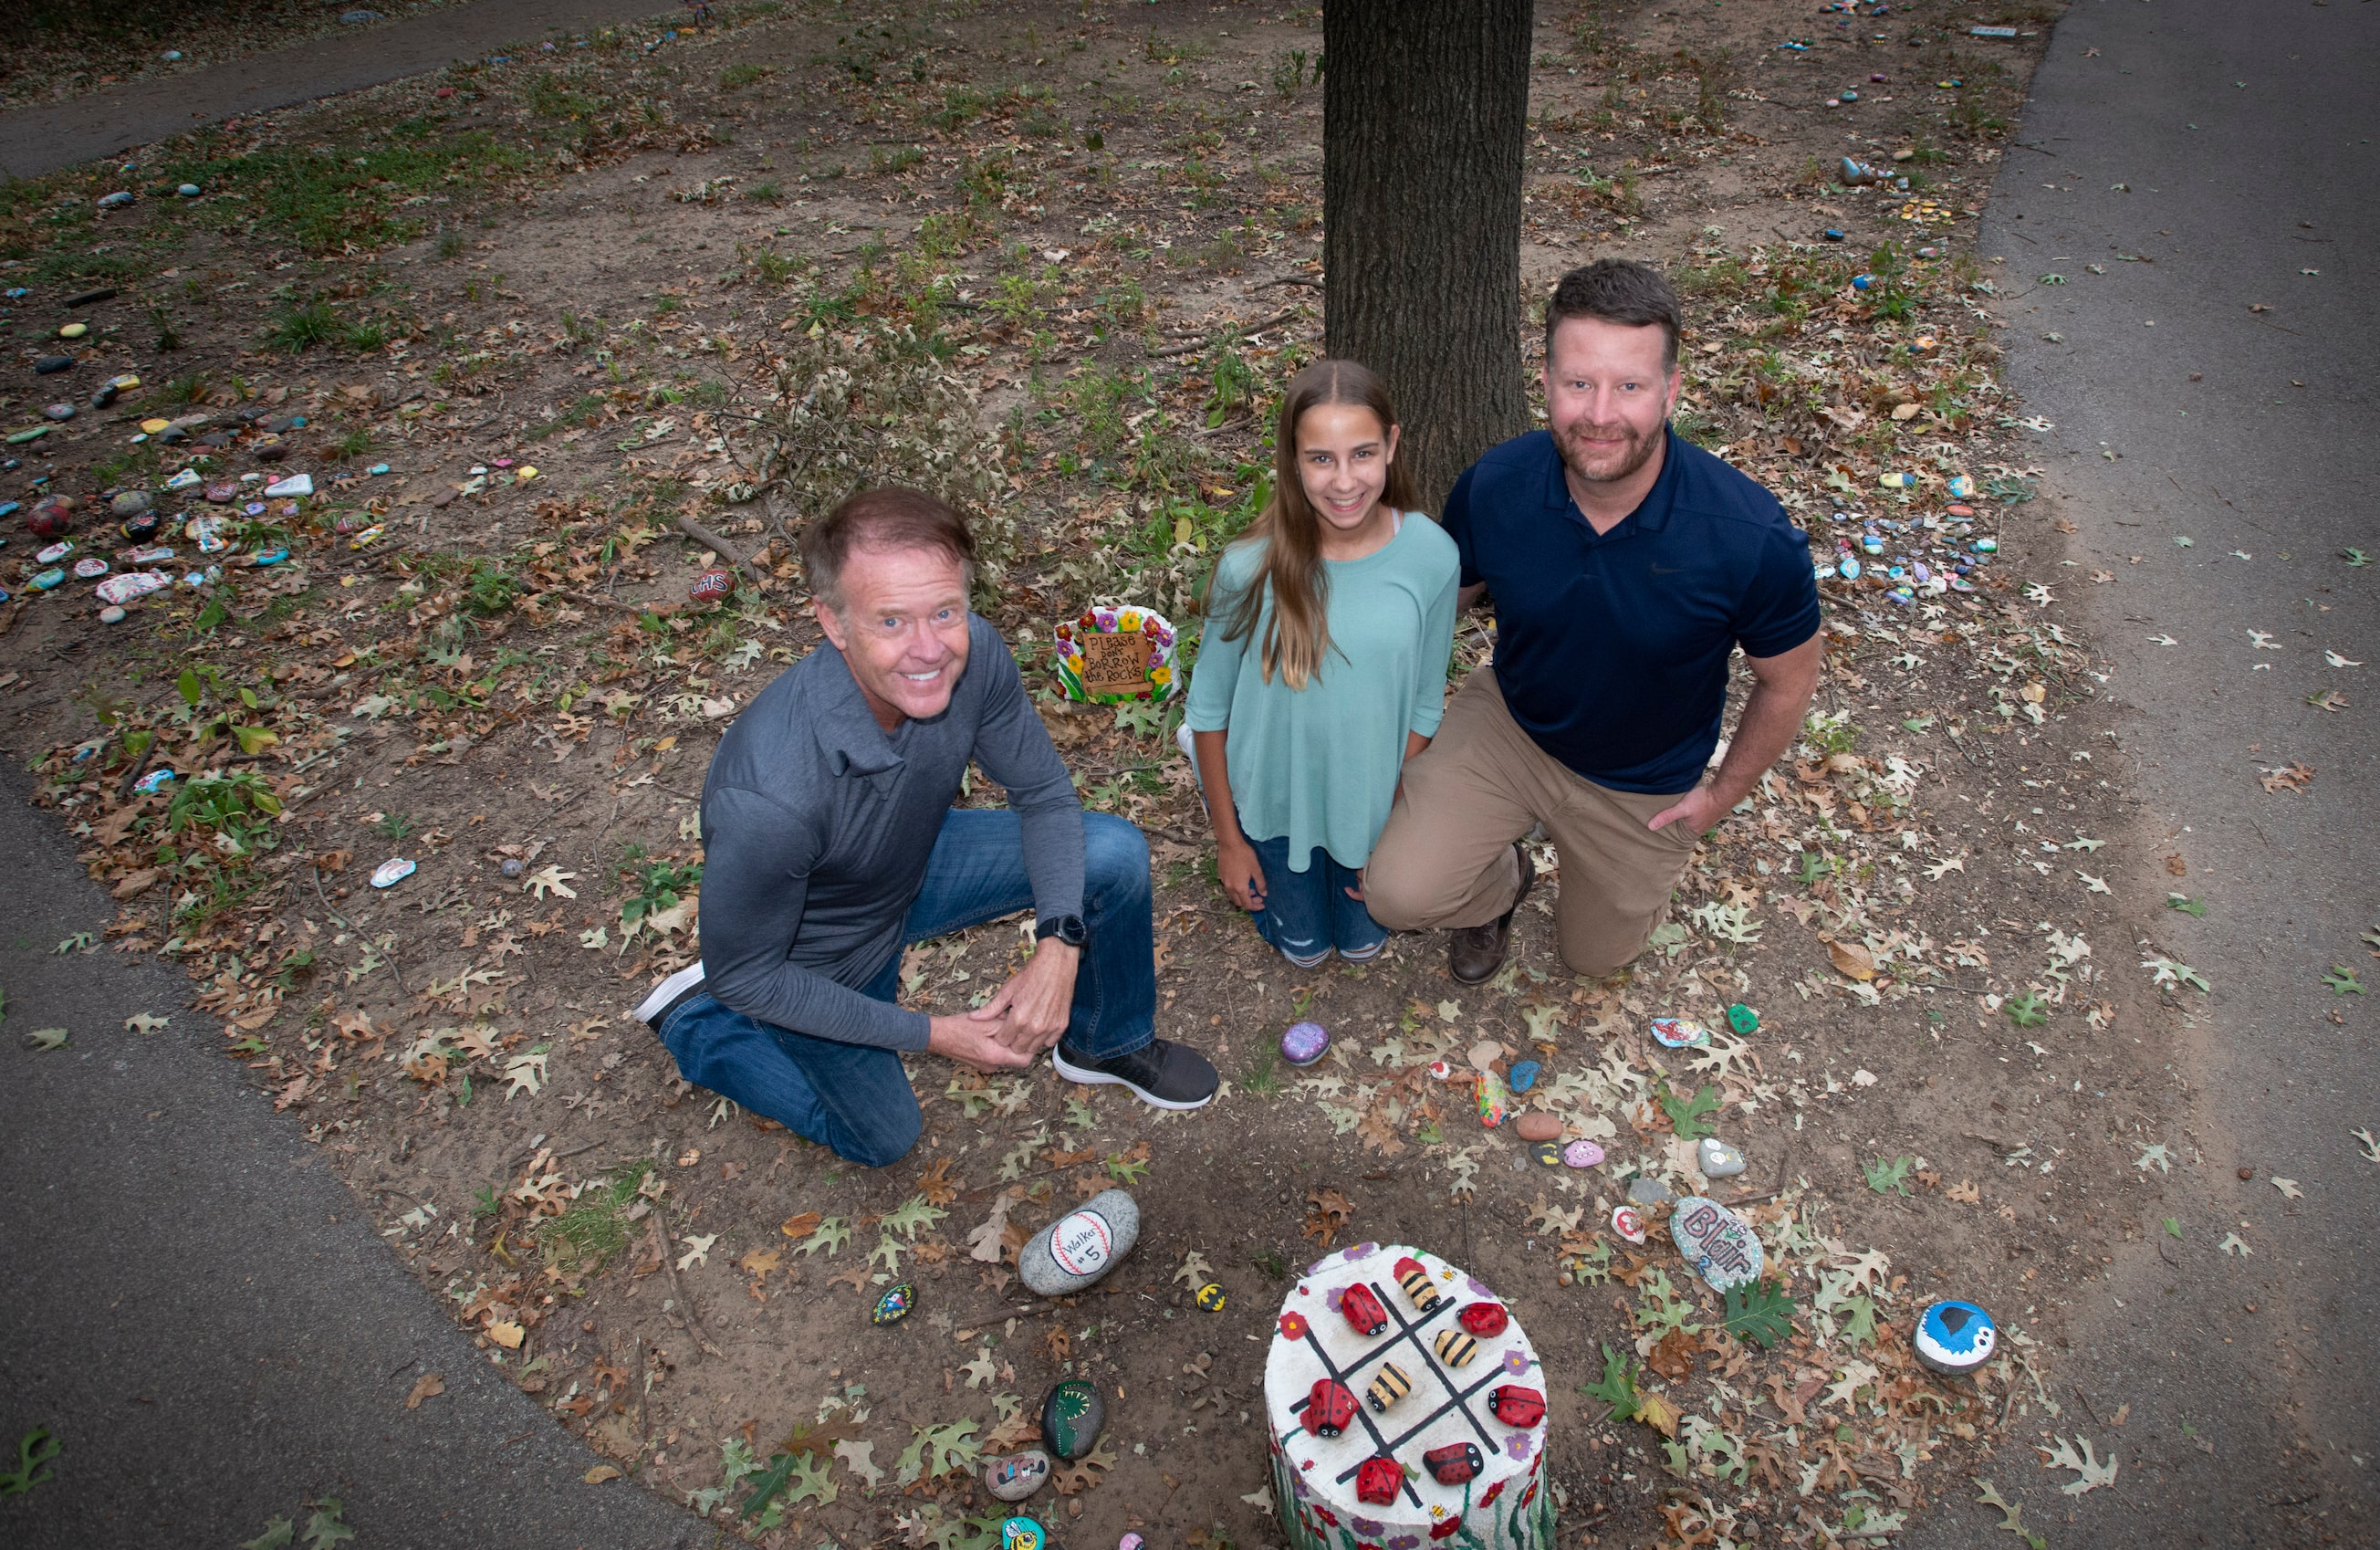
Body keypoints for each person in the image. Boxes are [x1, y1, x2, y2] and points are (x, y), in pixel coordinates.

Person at [630, 486, 1219, 1167]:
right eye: (890, 622)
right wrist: (933, 1032)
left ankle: (1104, 1041)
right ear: (833, 622)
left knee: (1110, 853)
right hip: (818, 948)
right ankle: (696, 1024)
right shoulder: (769, 798)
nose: (927, 649)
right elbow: (750, 978)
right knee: (882, 1140)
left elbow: (1044, 795)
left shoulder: (972, 656)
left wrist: (1060, 941)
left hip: (911, 861)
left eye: (945, 611)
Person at [1362, 258, 1824, 984]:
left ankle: (1588, 886)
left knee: (1595, 959)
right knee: (1397, 894)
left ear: (1670, 391)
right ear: (1544, 382)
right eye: (1579, 382)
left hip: (1642, 781)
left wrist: (1717, 796)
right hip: (1513, 725)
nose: (1600, 414)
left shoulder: (1747, 534)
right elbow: (1441, 602)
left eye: (1630, 386)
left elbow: (1788, 684)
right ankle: (1500, 882)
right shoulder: (1497, 483)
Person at [1185, 360, 1460, 969]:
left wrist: (1394, 820)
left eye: (1361, 454)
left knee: (1364, 944)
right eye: (1320, 459)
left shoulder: (1432, 556)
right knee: (1303, 950)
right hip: (1275, 810)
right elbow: (1207, 712)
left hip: (1370, 806)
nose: (1343, 482)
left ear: (1391, 444)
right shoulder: (1247, 568)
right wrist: (1229, 843)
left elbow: (1421, 702)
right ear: (1291, 461)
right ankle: (1259, 849)